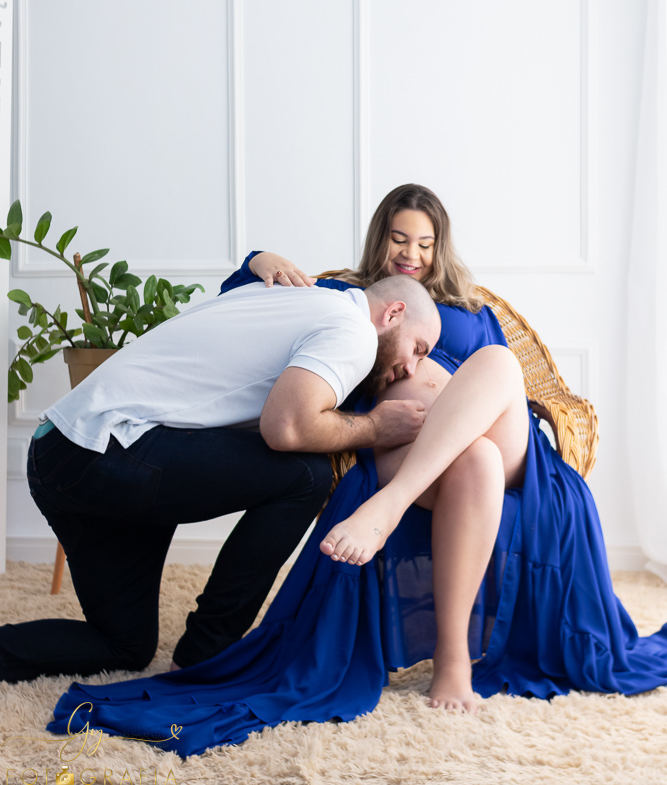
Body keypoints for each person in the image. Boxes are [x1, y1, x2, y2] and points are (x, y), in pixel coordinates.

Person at [48, 184, 667, 758]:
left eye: (425, 243)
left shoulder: (476, 311)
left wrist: (457, 390)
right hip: (410, 443)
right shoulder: (347, 298)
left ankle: (390, 504)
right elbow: (248, 292)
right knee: (470, 459)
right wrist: (262, 256)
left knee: (498, 368)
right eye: (401, 239)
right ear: (382, 241)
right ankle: (454, 660)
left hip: (502, 444)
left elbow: (517, 391)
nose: (413, 253)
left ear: (440, 247)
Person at [0, 271, 441, 684]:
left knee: (124, 645)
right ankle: (203, 657)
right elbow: (287, 427)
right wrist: (377, 428)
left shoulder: (291, 299)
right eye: (418, 349)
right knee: (305, 475)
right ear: (393, 313)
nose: (412, 369)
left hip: (59, 452)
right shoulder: (353, 329)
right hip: (104, 451)